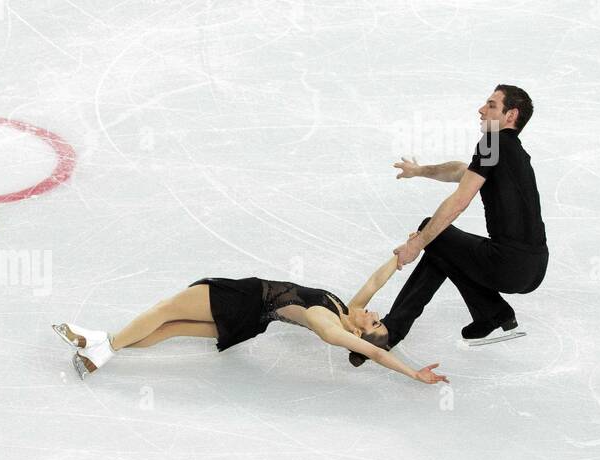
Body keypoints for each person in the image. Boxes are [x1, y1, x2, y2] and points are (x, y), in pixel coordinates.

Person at [52, 253, 448, 385]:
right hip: (254, 320)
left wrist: (413, 374)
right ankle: (96, 347)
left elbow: (375, 355)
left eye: (375, 324)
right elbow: (375, 281)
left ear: (363, 334)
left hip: (245, 298)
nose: (375, 314)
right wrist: (404, 255)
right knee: (170, 330)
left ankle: (102, 347)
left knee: (165, 310)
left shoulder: (330, 327)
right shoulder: (344, 309)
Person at [383, 85, 548, 349]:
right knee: (444, 249)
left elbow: (459, 201)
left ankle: (391, 331)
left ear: (510, 115)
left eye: (492, 105)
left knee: (433, 233)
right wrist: (419, 170)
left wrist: (417, 244)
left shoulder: (492, 143)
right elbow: (460, 171)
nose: (481, 110)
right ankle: (491, 313)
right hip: (534, 268)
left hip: (508, 263)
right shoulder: (509, 151)